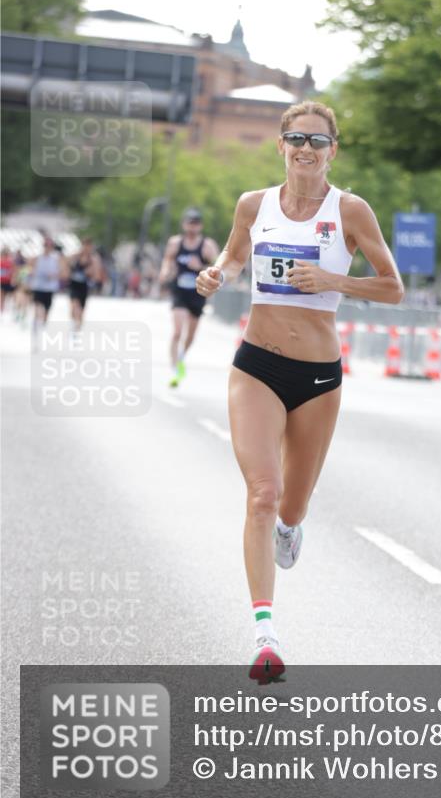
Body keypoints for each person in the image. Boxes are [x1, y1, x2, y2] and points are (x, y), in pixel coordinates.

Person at [195, 101, 404, 684]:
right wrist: (219, 273)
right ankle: (265, 633)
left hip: (317, 380)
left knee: (289, 507)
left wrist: (335, 279)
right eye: (296, 139)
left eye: (317, 140)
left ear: (332, 150)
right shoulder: (253, 205)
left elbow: (393, 288)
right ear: (281, 146)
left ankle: (292, 527)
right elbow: (237, 255)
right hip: (257, 365)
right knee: (262, 493)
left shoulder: (350, 211)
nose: (306, 149)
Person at [159, 208, 219, 387]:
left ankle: (181, 357)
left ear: (200, 226)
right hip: (179, 291)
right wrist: (165, 272)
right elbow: (168, 260)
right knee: (177, 331)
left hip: (198, 293)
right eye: (189, 223)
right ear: (184, 224)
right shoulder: (175, 243)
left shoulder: (207, 245)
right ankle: (174, 368)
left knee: (190, 335)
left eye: (195, 224)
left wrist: (199, 266)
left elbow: (218, 266)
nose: (192, 227)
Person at [29, 237, 69, 345]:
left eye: (49, 246)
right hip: (38, 287)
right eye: (45, 246)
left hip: (49, 288)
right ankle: (36, 324)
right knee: (37, 307)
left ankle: (42, 322)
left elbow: (64, 273)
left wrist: (54, 275)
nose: (47, 248)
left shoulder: (56, 259)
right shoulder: (37, 258)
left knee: (47, 310)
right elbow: (29, 269)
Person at [68, 238, 103, 331]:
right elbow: (67, 267)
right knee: (74, 305)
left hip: (85, 285)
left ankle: (78, 325)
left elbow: (97, 275)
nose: (86, 248)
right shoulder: (76, 256)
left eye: (88, 246)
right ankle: (73, 323)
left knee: (81, 310)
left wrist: (91, 273)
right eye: (85, 246)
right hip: (74, 284)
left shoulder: (94, 259)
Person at [0, 247, 16, 314]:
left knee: (5, 295)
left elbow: (12, 271)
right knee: (1, 295)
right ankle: (1, 307)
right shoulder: (1, 261)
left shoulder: (9, 262)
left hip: (7, 281)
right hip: (1, 281)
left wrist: (12, 278)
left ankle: (3, 307)